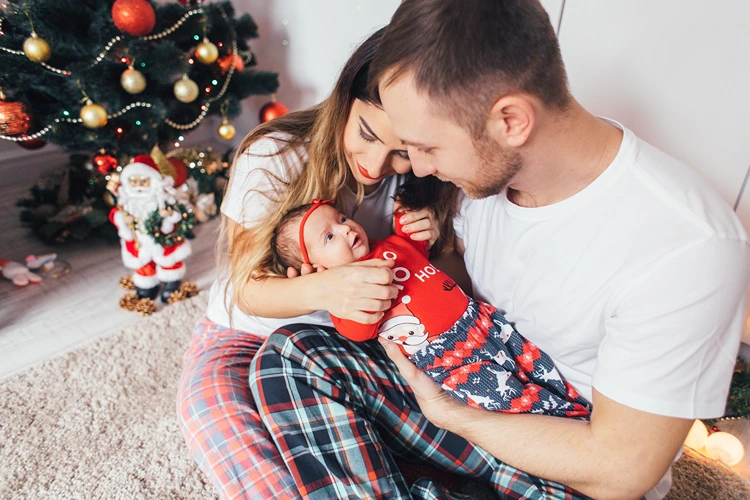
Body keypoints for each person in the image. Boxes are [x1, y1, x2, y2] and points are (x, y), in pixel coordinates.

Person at [250, 1, 750, 499]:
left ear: (510, 121)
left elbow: (620, 471)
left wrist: (453, 415)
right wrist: (358, 282)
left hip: (564, 458)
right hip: (459, 378)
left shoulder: (689, 245)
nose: (416, 169)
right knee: (289, 355)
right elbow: (459, 285)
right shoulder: (482, 178)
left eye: (425, 147)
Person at [176, 27, 488, 499]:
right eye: (366, 133)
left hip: (357, 346)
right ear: (344, 98)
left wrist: (430, 251)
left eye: (402, 151)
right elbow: (246, 287)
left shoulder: (425, 179)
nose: (377, 163)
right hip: (245, 334)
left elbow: (453, 289)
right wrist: (324, 290)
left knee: (408, 437)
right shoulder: (275, 154)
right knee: (214, 414)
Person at [270, 199, 591, 417]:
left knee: (536, 363)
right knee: (507, 398)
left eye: (341, 219)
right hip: (447, 356)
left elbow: (415, 242)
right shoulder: (347, 293)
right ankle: (557, 421)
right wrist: (325, 291)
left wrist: (406, 216)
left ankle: (577, 408)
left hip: (480, 320)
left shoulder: (389, 245)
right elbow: (357, 330)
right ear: (317, 269)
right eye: (329, 237)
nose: (346, 229)